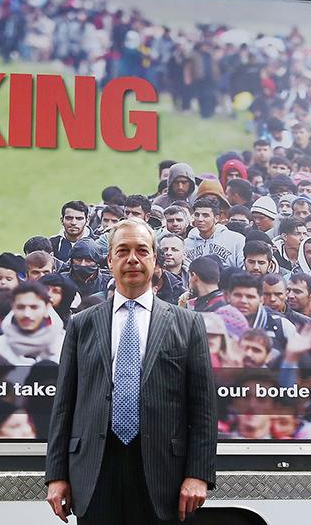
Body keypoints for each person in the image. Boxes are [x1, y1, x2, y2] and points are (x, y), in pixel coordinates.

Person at [45, 218, 217, 524]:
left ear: (154, 259)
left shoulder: (187, 323)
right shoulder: (82, 323)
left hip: (164, 474)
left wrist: (198, 475)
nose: (132, 259)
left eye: (141, 250)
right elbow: (64, 405)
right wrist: (56, 476)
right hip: (94, 471)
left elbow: (203, 407)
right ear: (109, 260)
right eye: (123, 251)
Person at [184, 196, 245, 268]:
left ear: (216, 218)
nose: (200, 219)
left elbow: (243, 269)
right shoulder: (185, 243)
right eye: (197, 215)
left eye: (205, 215)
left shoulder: (236, 240)